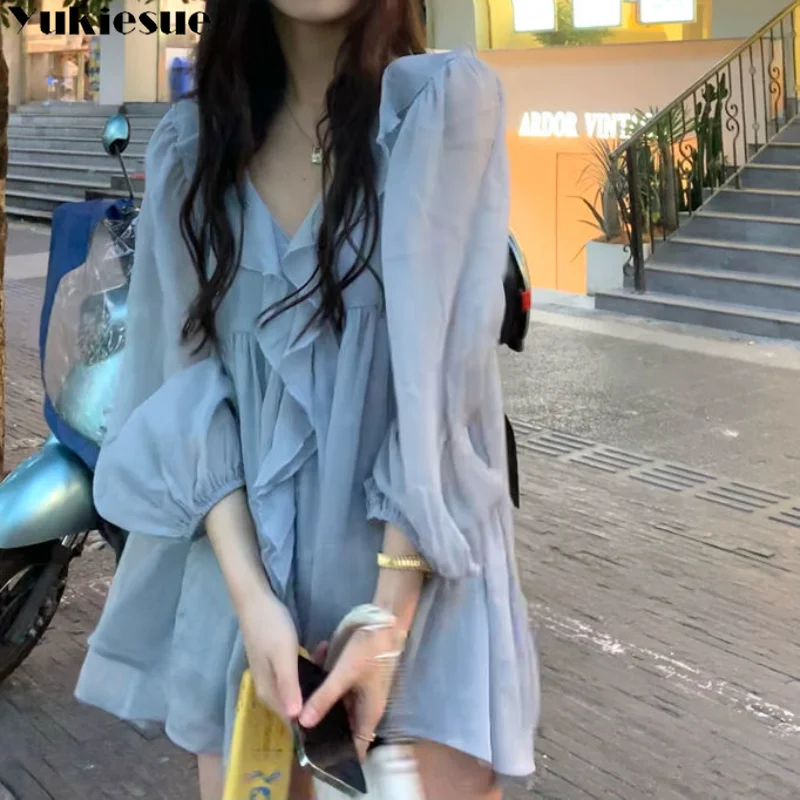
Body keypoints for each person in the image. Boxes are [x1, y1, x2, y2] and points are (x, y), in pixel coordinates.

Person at [74, 0, 540, 798]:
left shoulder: (438, 113)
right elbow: (183, 393)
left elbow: (445, 389)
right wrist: (252, 603)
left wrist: (385, 625)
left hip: (415, 594)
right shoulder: (192, 150)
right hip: (247, 612)